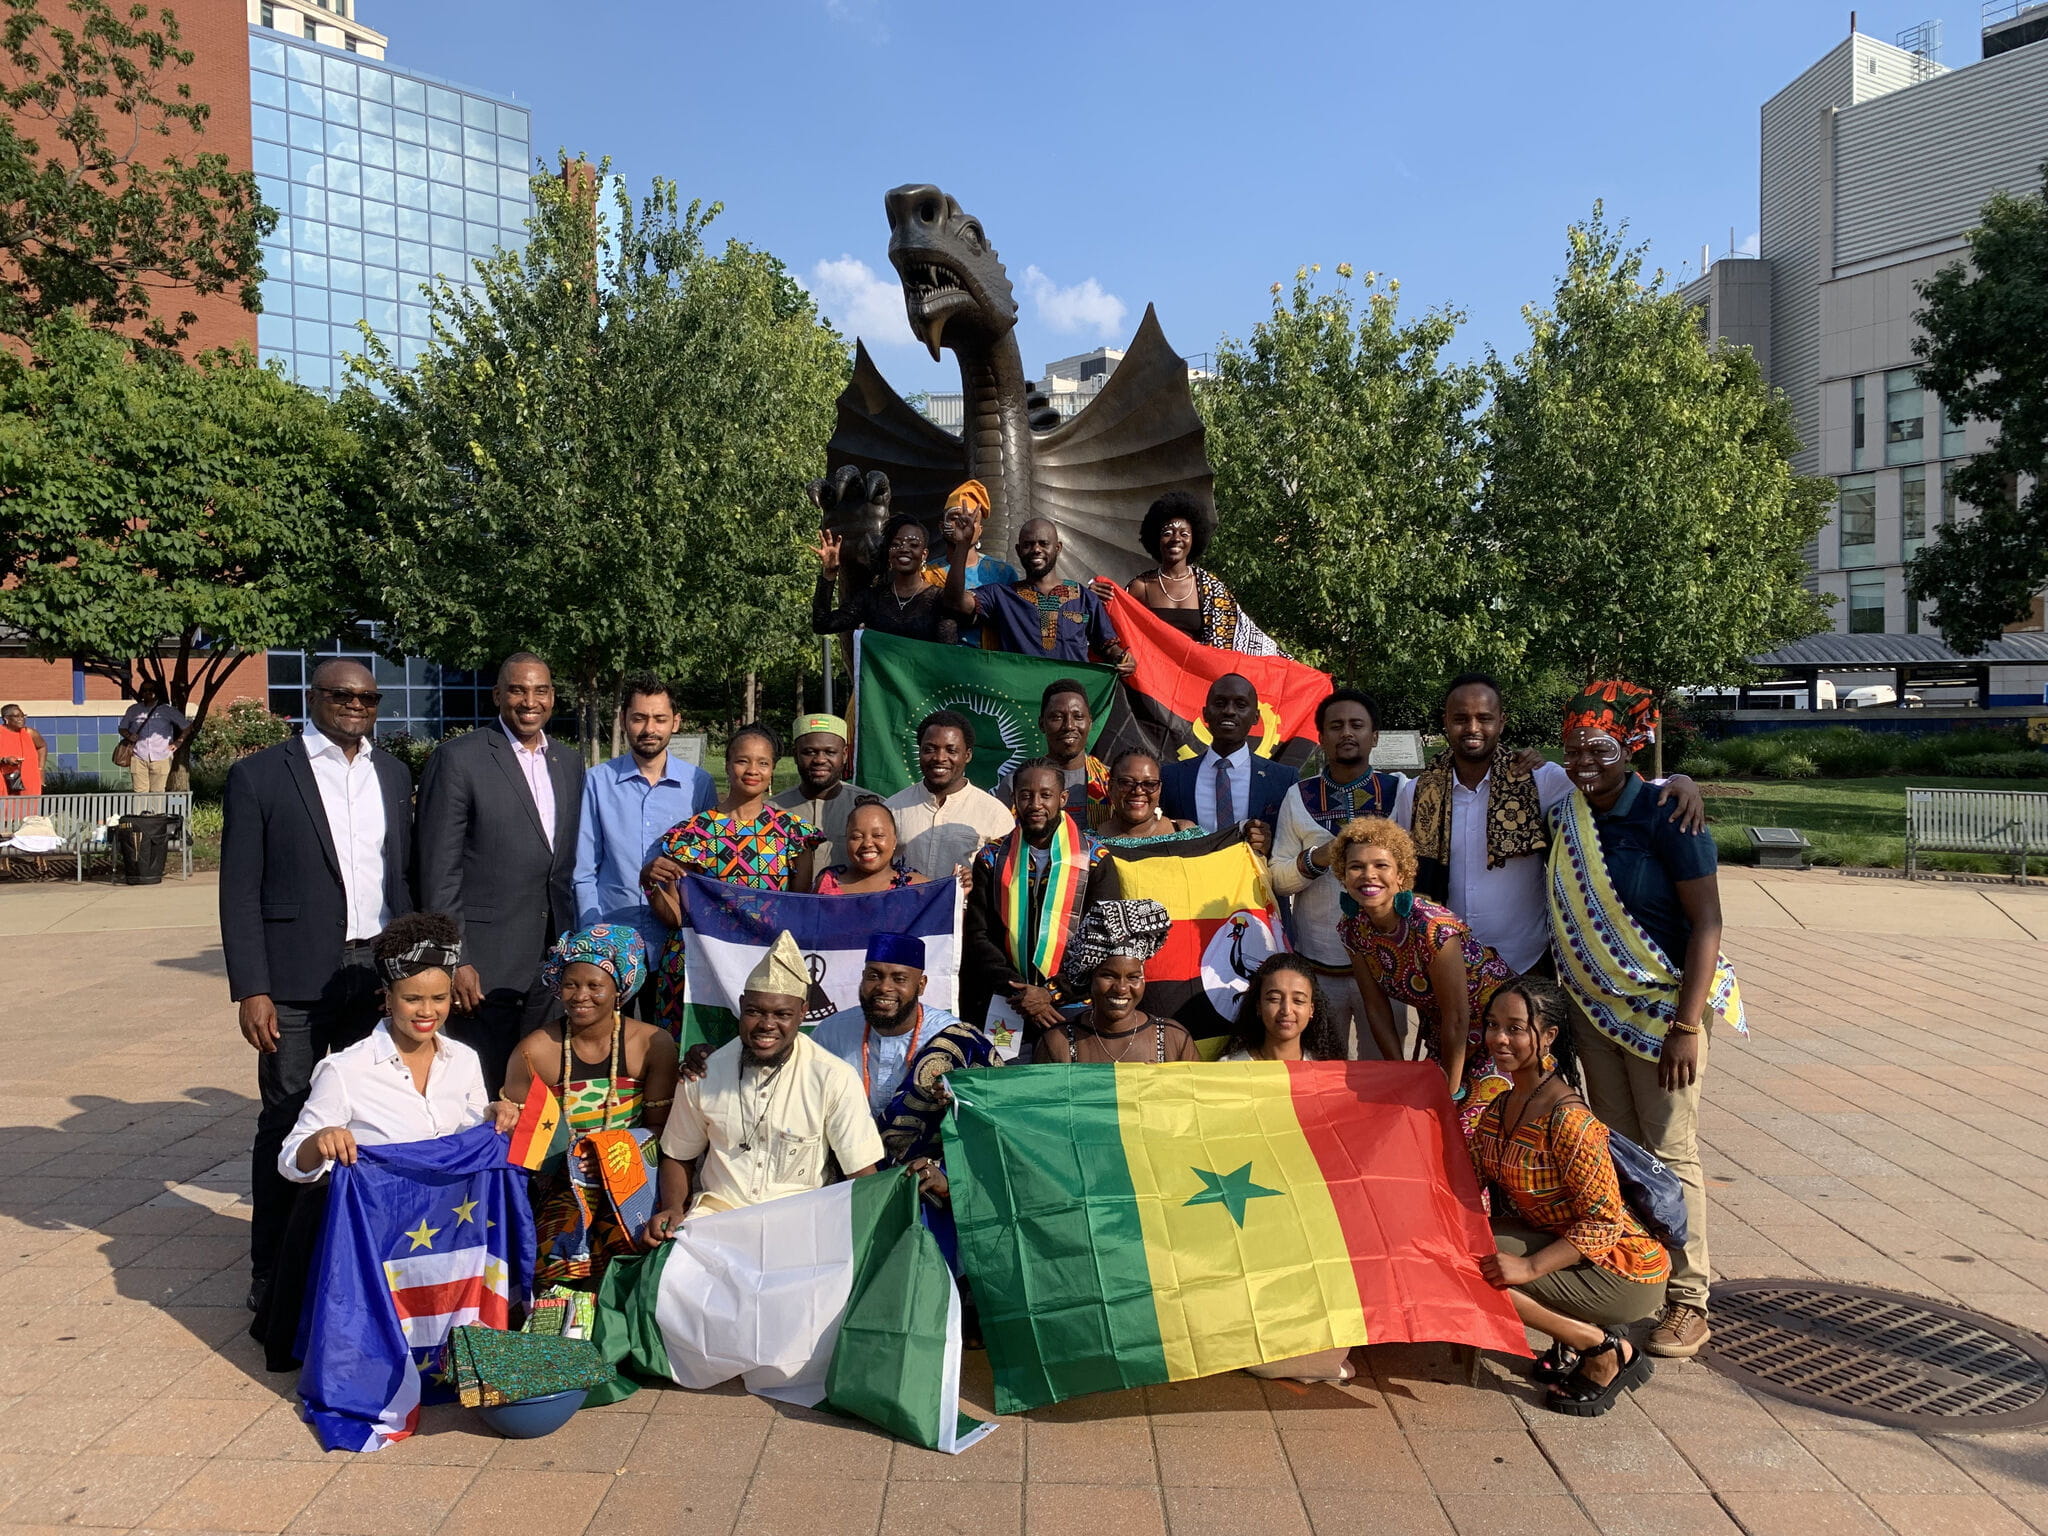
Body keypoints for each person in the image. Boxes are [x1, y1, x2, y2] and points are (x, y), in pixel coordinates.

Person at [1547, 680, 1744, 1362]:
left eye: (1598, 748)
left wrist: (1688, 1025)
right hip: (1598, 1011)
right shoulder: (1567, 811)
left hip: (1666, 1013)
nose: (1584, 761)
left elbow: (1707, 924)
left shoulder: (1668, 813)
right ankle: (1640, 1278)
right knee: (1620, 1149)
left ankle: (1691, 1300)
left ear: (1629, 748)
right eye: (1573, 748)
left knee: (1670, 1149)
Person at [221, 658, 415, 1313]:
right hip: (293, 980)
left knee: (370, 1115)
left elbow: (399, 877)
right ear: (315, 697)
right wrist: (252, 987)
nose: (355, 705)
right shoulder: (259, 777)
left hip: (373, 975)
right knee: (289, 1117)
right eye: (341, 694)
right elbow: (239, 891)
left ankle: (358, 1250)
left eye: (367, 696)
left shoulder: (392, 774)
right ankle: (273, 1267)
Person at [261, 912, 515, 1370]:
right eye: (412, 998)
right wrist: (323, 1140)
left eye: (438, 998)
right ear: (387, 997)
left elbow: (470, 1139)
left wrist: (494, 1116)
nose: (426, 1011)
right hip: (378, 1233)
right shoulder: (346, 1070)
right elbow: (288, 1161)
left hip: (447, 1227)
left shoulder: (465, 1059)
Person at [1394, 673, 1703, 978]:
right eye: (1460, 718)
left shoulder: (1540, 780)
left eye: (1484, 718)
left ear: (1502, 721)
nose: (1472, 728)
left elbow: (1612, 784)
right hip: (1445, 957)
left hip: (1524, 960)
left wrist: (1680, 781)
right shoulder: (1419, 792)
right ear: (1445, 722)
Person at [1471, 977, 1666, 1416]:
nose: (1500, 1038)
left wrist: (1530, 1266)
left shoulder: (1570, 1120)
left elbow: (1603, 1223)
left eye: (1516, 1029)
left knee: (1478, 1271)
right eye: (1493, 1025)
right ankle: (1569, 1341)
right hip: (1569, 1248)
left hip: (1624, 1270)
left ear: (1549, 1037)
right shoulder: (1499, 1108)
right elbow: (1472, 1182)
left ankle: (1602, 1350)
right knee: (1463, 1247)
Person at [417, 652, 585, 1096]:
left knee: (540, 1084)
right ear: (497, 695)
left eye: (541, 690)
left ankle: (532, 1169)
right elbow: (438, 871)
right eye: (518, 689)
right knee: (485, 1085)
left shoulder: (568, 762)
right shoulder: (459, 759)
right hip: (486, 963)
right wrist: (457, 957)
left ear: (552, 696)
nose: (530, 701)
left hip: (552, 956)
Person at [644, 932, 884, 1231]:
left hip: (800, 1224)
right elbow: (678, 1155)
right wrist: (672, 1208)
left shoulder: (833, 1077)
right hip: (717, 1221)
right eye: (755, 1012)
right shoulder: (704, 1072)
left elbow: (861, 1173)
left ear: (802, 1013)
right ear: (742, 1006)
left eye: (782, 1014)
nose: (767, 1025)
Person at [502, 925, 678, 1286]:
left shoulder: (652, 1043)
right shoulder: (535, 1050)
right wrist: (569, 1166)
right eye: (571, 985)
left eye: (594, 986)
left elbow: (663, 1130)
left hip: (637, 1177)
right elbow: (515, 1136)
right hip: (562, 1184)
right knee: (558, 1256)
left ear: (618, 991)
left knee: (643, 1256)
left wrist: (610, 1156)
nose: (581, 996)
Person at [1333, 816, 1514, 1136]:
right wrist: (1402, 1074)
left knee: (1466, 1130)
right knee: (1427, 1128)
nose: (1368, 875)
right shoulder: (1353, 929)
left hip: (1497, 1029)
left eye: (1381, 865)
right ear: (1343, 875)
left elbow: (1458, 1014)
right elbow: (1375, 1007)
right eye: (1356, 867)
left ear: (1401, 875)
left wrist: (1451, 1091)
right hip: (1444, 1031)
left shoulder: (1432, 926)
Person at [643, 724, 819, 1038]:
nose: (753, 770)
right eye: (742, 761)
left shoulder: (793, 833)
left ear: (773, 771)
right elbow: (674, 916)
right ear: (727, 765)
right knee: (694, 1063)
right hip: (699, 967)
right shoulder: (693, 833)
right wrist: (649, 883)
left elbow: (798, 909)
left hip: (763, 968)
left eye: (762, 763)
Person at [572, 673, 715, 1020]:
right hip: (611, 942)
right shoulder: (597, 782)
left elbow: (707, 866)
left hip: (674, 943)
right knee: (609, 1045)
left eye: (659, 718)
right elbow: (583, 871)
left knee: (665, 1048)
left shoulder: (698, 783)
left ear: (675, 722)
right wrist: (594, 940)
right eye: (639, 718)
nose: (649, 728)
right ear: (623, 721)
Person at [1271, 689, 1404, 1057]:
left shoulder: (1400, 792)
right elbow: (1279, 878)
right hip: (1319, 968)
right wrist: (1322, 856)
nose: (1347, 733)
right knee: (1324, 1074)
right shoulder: (1299, 796)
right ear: (1321, 737)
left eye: (1357, 725)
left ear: (1374, 736)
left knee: (1384, 1074)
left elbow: (1415, 869)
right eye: (1336, 726)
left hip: (1385, 966)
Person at [962, 758, 1094, 1045]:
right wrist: (1022, 993)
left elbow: (1100, 937)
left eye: (1046, 795)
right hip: (1008, 1001)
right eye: (1025, 795)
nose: (1035, 804)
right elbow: (979, 935)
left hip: (1073, 1004)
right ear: (1014, 799)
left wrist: (1051, 993)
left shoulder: (1095, 860)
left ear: (1062, 798)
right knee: (1010, 1081)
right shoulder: (991, 858)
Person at [939, 515, 1132, 671]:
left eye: (1043, 543)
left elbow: (1108, 646)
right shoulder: (1002, 596)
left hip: (1071, 701)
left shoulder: (1084, 597)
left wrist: (1122, 658)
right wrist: (962, 547)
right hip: (1021, 701)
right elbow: (955, 602)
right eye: (1028, 544)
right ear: (1018, 550)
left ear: (1058, 548)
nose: (1036, 550)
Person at [809, 933, 966, 1116]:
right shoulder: (830, 1032)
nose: (884, 987)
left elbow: (985, 1102)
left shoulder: (950, 1035)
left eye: (899, 979)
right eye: (874, 976)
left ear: (921, 985)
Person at [1033, 899, 1198, 1063]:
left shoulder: (1174, 1039)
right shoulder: (1058, 1042)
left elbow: (1196, 1089)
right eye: (1108, 976)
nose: (1121, 988)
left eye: (1133, 977)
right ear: (1090, 978)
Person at [1120, 490, 1279, 653]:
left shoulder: (1211, 588)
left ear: (1194, 539)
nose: (1176, 539)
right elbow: (1116, 628)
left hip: (1196, 672)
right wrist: (1101, 595)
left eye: (1184, 534)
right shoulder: (1141, 586)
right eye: (1167, 533)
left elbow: (1243, 637)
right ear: (1156, 539)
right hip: (1152, 671)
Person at [1160, 674, 1292, 855]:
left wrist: (1270, 847)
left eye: (1240, 704)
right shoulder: (1171, 777)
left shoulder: (1284, 779)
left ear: (1256, 717)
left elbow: (1292, 846)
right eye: (1220, 703)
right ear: (1205, 714)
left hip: (1255, 881)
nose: (1229, 711)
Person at [884, 710, 1013, 882]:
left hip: (966, 908)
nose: (939, 758)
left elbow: (1005, 878)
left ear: (967, 755)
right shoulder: (892, 809)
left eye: (951, 750)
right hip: (905, 907)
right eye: (930, 749)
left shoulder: (995, 814)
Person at [813, 513, 960, 646]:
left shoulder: (939, 600)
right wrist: (829, 573)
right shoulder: (871, 599)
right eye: (896, 544)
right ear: (889, 553)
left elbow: (946, 656)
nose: (904, 549)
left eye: (913, 545)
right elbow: (822, 623)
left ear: (924, 554)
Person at [768, 713, 879, 873]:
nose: (820, 759)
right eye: (809, 752)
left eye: (830, 752)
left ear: (845, 754)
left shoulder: (871, 808)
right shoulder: (771, 810)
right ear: (795, 755)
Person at [924, 479, 1019, 647]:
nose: (963, 523)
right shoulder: (927, 573)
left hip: (989, 663)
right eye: (954, 517)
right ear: (941, 527)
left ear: (980, 530)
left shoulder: (1004, 573)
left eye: (971, 519)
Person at [995, 678, 1107, 811]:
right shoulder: (1015, 782)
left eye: (1078, 717)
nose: (1069, 726)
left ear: (1090, 723)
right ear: (1042, 724)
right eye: (1057, 717)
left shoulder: (1110, 781)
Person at [1223, 953, 1344, 1063]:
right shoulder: (1230, 1069)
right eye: (1274, 999)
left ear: (1311, 1009)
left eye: (1298, 1000)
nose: (1286, 1010)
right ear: (1258, 1006)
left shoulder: (1327, 1072)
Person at [814, 798, 929, 894]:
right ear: (847, 841)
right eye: (857, 837)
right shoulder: (826, 884)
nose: (867, 843)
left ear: (894, 841)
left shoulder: (918, 887)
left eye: (878, 835)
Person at [1093, 748, 1201, 843]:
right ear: (1111, 788)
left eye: (1149, 784)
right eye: (1127, 782)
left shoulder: (1186, 835)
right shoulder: (1088, 844)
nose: (1138, 791)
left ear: (1159, 789)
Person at [118, 680, 191, 797]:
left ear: (157, 692)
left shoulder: (167, 710)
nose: (148, 693)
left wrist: (178, 742)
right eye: (145, 690)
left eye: (151, 690)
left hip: (161, 756)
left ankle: (156, 815)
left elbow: (187, 727)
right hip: (138, 756)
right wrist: (129, 736)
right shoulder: (134, 710)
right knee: (139, 793)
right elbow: (122, 728)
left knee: (157, 793)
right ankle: (140, 815)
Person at [0, 704, 47, 797]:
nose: (21, 719)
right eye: (17, 716)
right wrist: (5, 760)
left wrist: (40, 770)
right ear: (6, 718)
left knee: (28, 808)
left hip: (29, 779)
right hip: (4, 779)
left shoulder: (30, 733)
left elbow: (42, 747)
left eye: (23, 716)